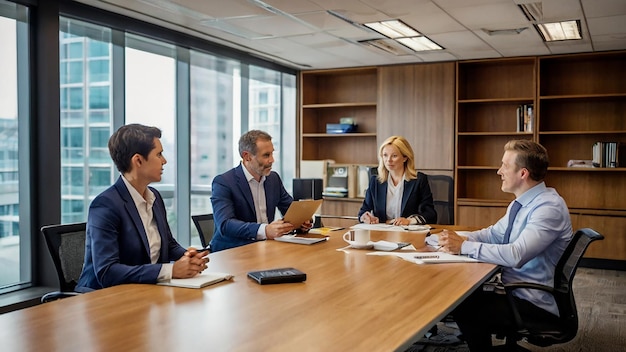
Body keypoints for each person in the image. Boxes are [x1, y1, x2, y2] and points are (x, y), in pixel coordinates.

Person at [438, 139, 573, 351]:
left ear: (523, 173)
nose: (499, 171)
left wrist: (463, 247)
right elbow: (494, 234)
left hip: (535, 303)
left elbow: (516, 255)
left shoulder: (548, 207)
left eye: (505, 165)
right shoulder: (521, 203)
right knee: (464, 295)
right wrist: (459, 238)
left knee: (464, 305)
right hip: (516, 292)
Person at [75, 124, 208, 292]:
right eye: (159, 154)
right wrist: (171, 271)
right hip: (105, 298)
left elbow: (168, 244)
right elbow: (107, 272)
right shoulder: (105, 205)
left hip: (146, 290)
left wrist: (188, 256)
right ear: (138, 160)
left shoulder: (155, 197)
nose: (164, 160)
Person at [210, 130, 312, 252]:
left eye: (272, 154)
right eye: (266, 155)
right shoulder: (224, 182)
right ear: (247, 156)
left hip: (266, 249)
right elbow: (225, 225)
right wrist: (265, 231)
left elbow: (291, 210)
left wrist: (303, 222)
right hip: (232, 252)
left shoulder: (273, 178)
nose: (272, 160)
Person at [358, 135, 437, 226]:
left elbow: (431, 215)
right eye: (385, 155)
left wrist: (409, 221)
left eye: (394, 156)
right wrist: (366, 217)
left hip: (407, 233)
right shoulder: (375, 181)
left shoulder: (418, 180)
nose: (388, 160)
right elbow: (363, 211)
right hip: (381, 233)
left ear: (405, 157)